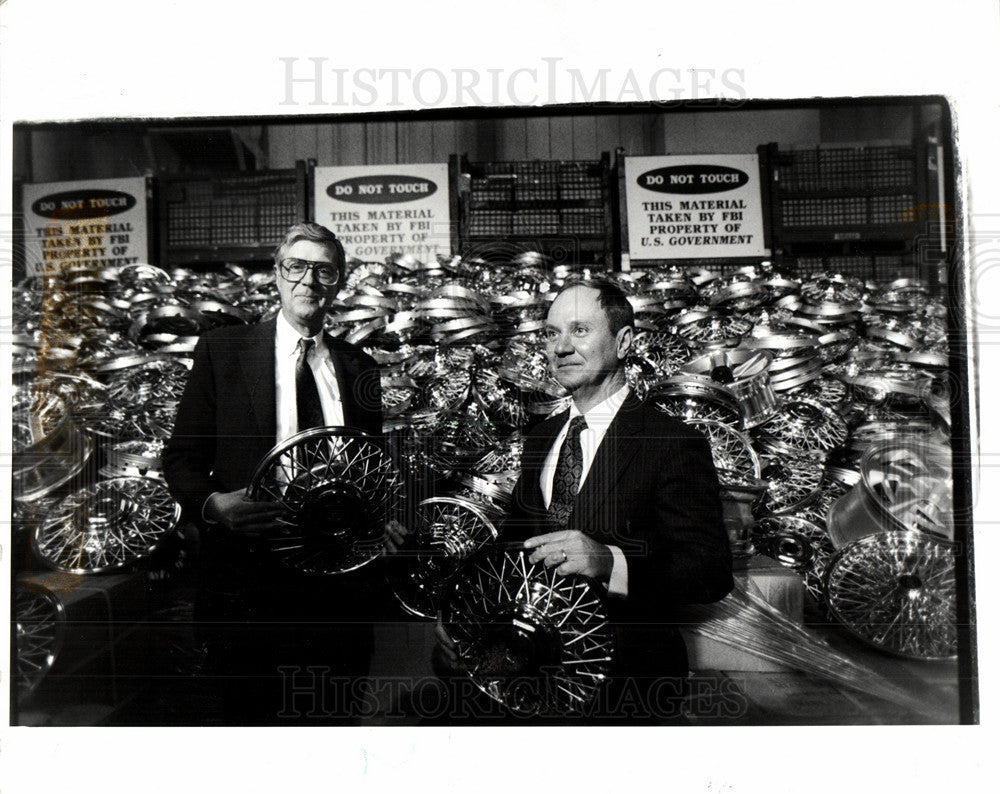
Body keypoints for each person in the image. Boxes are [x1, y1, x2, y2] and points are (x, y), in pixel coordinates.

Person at [439, 277, 733, 723]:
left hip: (628, 685)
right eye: (551, 333)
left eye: (579, 330)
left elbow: (708, 571)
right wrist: (467, 615)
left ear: (624, 341)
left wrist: (610, 561)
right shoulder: (541, 438)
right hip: (535, 674)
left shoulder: (671, 441)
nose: (560, 347)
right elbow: (517, 549)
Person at [163, 221, 393, 725]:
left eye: (324, 271)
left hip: (339, 596)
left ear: (339, 282)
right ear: (277, 275)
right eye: (296, 267)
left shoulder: (359, 368)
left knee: (334, 731)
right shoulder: (224, 351)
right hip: (249, 588)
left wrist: (384, 519)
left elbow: (372, 467)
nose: (308, 281)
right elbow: (180, 459)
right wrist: (214, 506)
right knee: (251, 734)